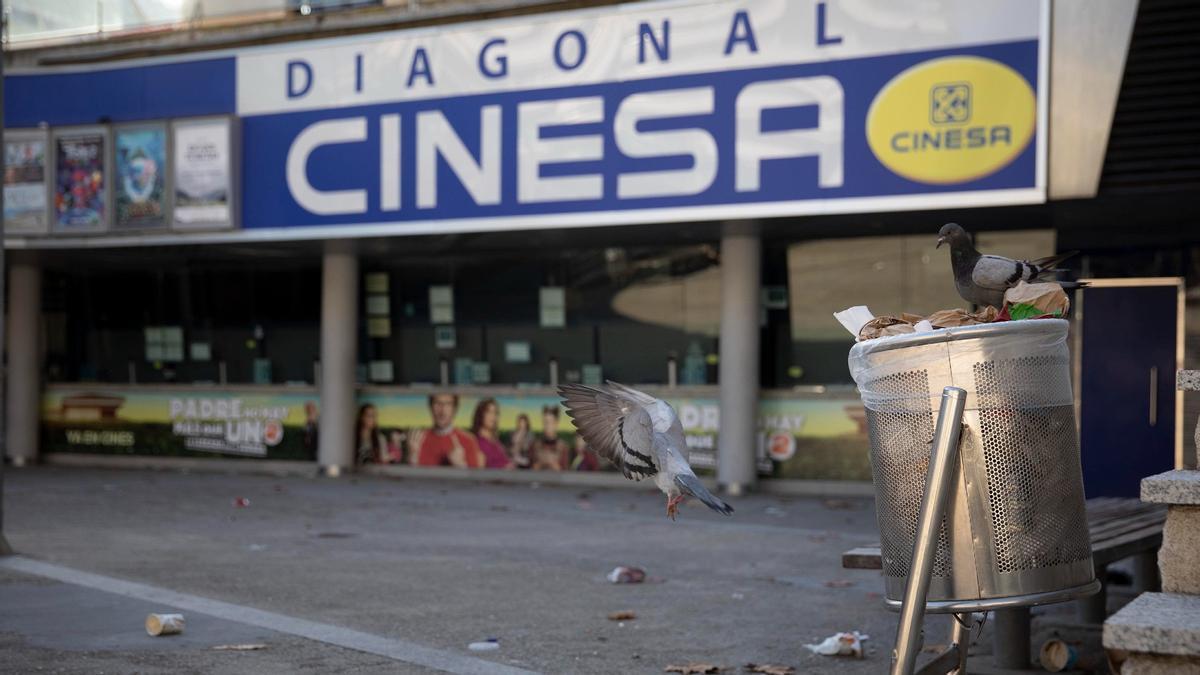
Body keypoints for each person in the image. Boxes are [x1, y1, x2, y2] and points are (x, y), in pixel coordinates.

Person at [408, 393, 484, 468]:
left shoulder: (468, 440)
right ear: (430, 407)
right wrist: (413, 457)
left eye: (448, 404)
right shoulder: (418, 440)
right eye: (438, 403)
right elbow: (411, 478)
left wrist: (461, 465)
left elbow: (475, 479)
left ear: (454, 409)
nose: (443, 410)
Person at [471, 398, 513, 469]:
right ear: (481, 414)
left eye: (495, 413)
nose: (493, 416)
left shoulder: (495, 441)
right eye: (489, 412)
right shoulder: (477, 443)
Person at [531, 405, 569, 471]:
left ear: (556, 423)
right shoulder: (535, 445)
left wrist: (553, 464)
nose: (547, 426)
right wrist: (541, 464)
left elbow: (566, 473)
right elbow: (528, 471)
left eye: (549, 422)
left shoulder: (563, 447)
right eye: (544, 422)